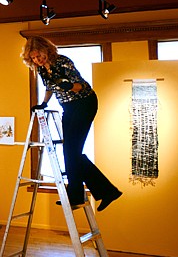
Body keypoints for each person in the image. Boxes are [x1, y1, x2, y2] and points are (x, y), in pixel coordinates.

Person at [21, 36, 122, 211]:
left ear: (46, 49)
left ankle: (98, 192)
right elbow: (50, 87)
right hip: (68, 107)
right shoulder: (43, 70)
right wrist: (44, 103)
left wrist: (67, 85)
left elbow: (81, 87)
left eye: (39, 55)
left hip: (84, 103)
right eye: (33, 58)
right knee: (70, 151)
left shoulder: (62, 62)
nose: (37, 59)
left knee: (72, 151)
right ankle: (99, 192)